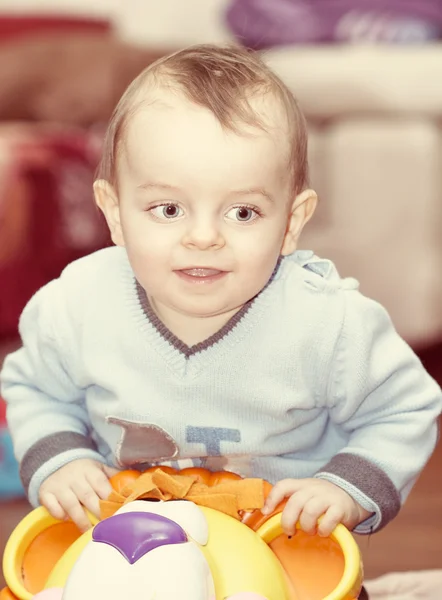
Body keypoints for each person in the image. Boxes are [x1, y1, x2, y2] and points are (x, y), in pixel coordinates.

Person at [1, 45, 440, 545]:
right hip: (126, 540)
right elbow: (37, 388)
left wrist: (344, 488)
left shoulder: (329, 322)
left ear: (292, 222)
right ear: (115, 210)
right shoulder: (76, 304)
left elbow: (403, 410)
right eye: (168, 209)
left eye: (243, 213)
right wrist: (62, 458)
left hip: (282, 546)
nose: (204, 237)